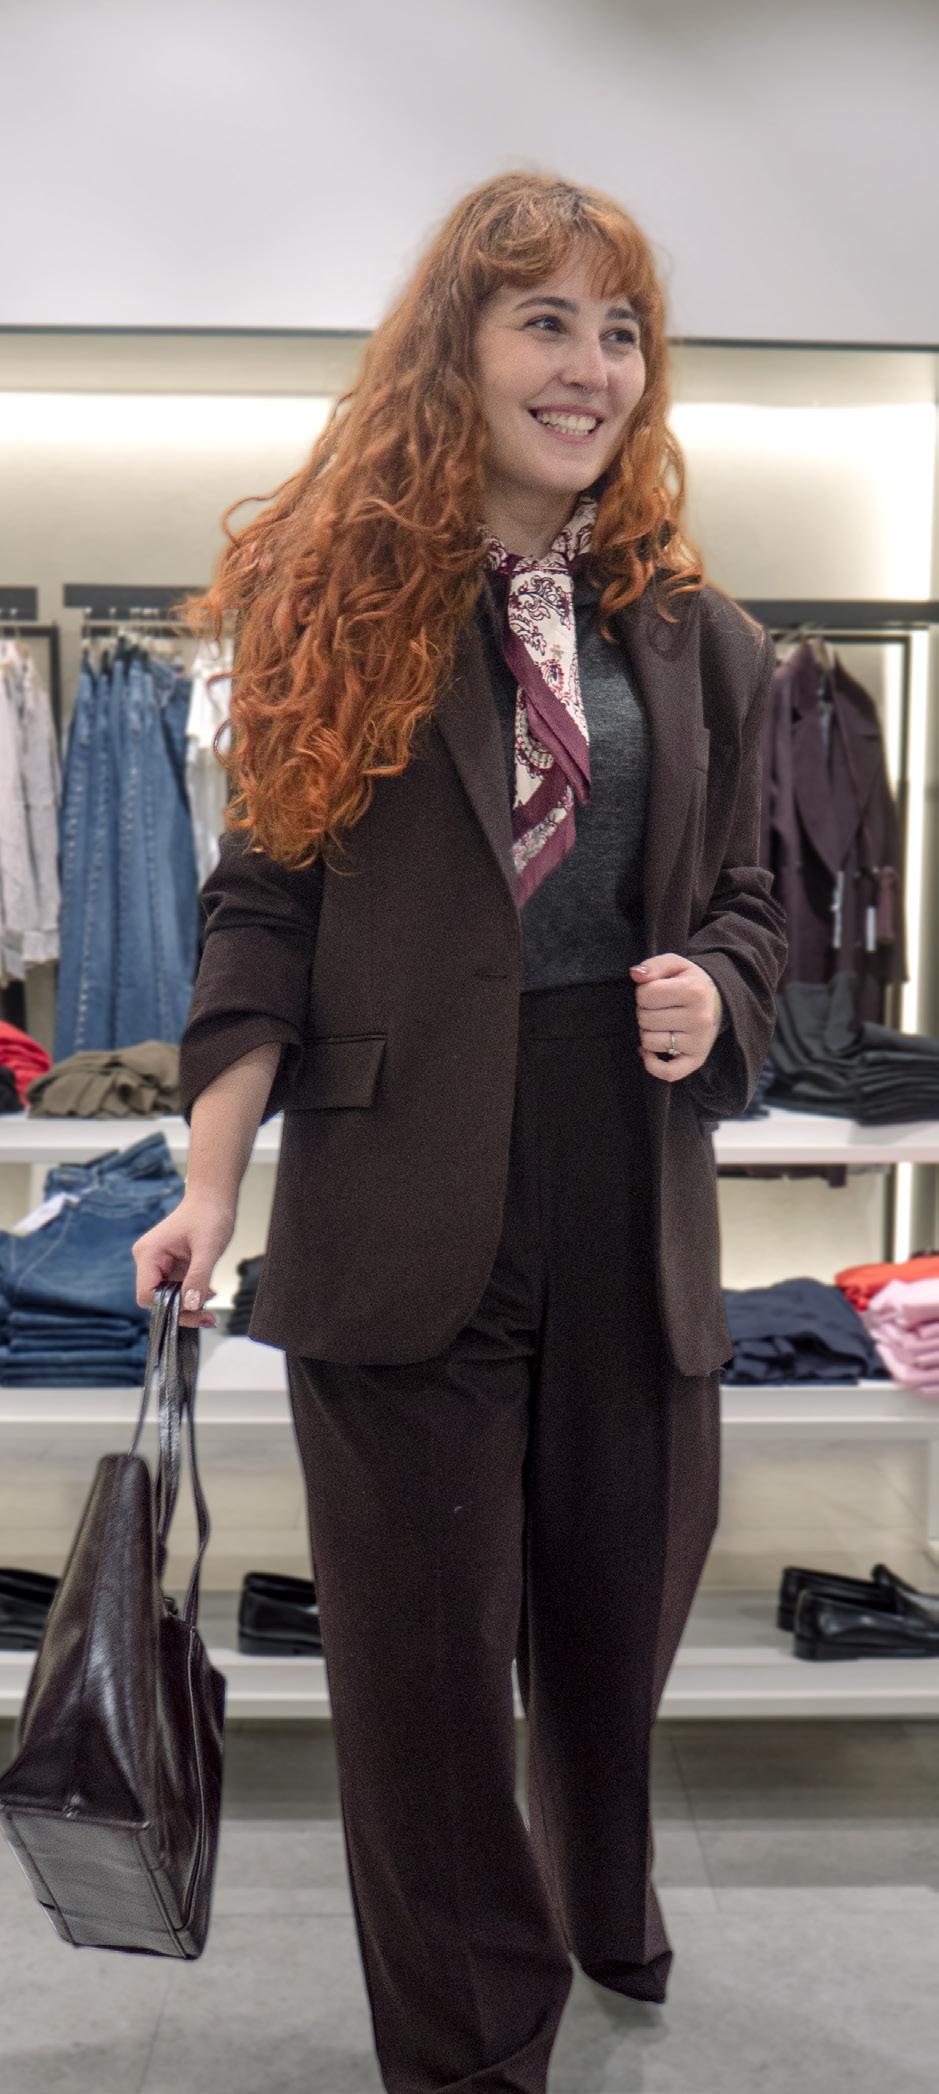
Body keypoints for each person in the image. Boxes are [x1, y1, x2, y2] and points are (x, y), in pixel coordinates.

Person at [133, 169, 787, 2094]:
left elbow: (755, 904)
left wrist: (718, 990)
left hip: (629, 1174)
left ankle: (602, 1888)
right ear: (458, 350)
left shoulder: (704, 638)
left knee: (615, 1612)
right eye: (545, 322)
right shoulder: (330, 604)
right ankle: (470, 2048)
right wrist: (207, 1182)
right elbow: (259, 909)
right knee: (421, 1675)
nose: (590, 367)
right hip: (402, 1174)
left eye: (620, 330)